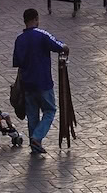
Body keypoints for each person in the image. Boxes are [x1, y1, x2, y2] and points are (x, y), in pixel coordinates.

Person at [11, 8, 67, 153]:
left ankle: (34, 145)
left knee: (32, 115)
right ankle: (37, 137)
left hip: (27, 83)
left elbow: (18, 62)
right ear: (36, 19)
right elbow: (59, 46)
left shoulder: (19, 39)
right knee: (50, 110)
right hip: (43, 82)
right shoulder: (42, 35)